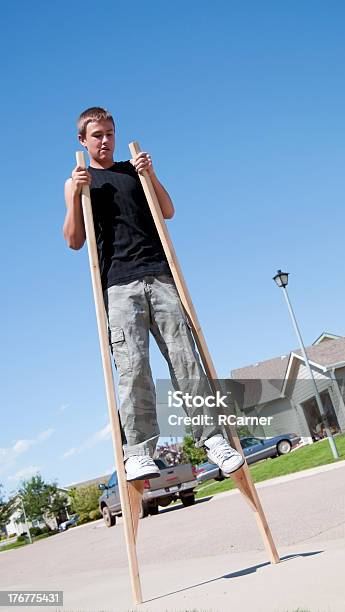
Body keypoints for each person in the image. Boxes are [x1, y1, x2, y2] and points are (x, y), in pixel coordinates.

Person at [63, 107, 244, 481]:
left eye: (109, 133)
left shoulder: (133, 171)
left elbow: (168, 210)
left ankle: (213, 440)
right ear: (83, 139)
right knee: (134, 369)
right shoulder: (77, 181)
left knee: (185, 360)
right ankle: (139, 452)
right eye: (97, 135)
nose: (105, 140)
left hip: (159, 276)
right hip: (118, 285)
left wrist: (150, 173)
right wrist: (76, 194)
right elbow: (74, 241)